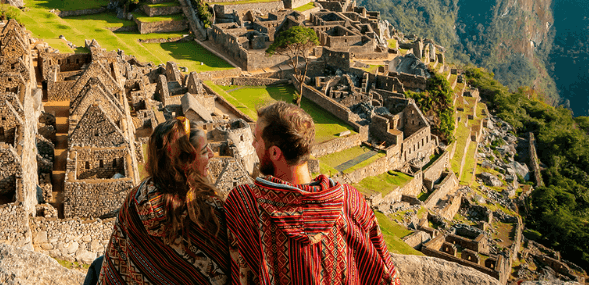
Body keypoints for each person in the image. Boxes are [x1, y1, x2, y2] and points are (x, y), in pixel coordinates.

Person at [224, 101, 398, 284]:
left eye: (257, 139)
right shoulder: (350, 201)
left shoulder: (245, 202)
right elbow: (386, 273)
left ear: (275, 153)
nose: (252, 144)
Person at [86, 117, 230, 285]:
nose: (212, 154)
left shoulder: (134, 202)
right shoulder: (210, 213)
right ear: (186, 162)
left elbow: (115, 268)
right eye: (205, 151)